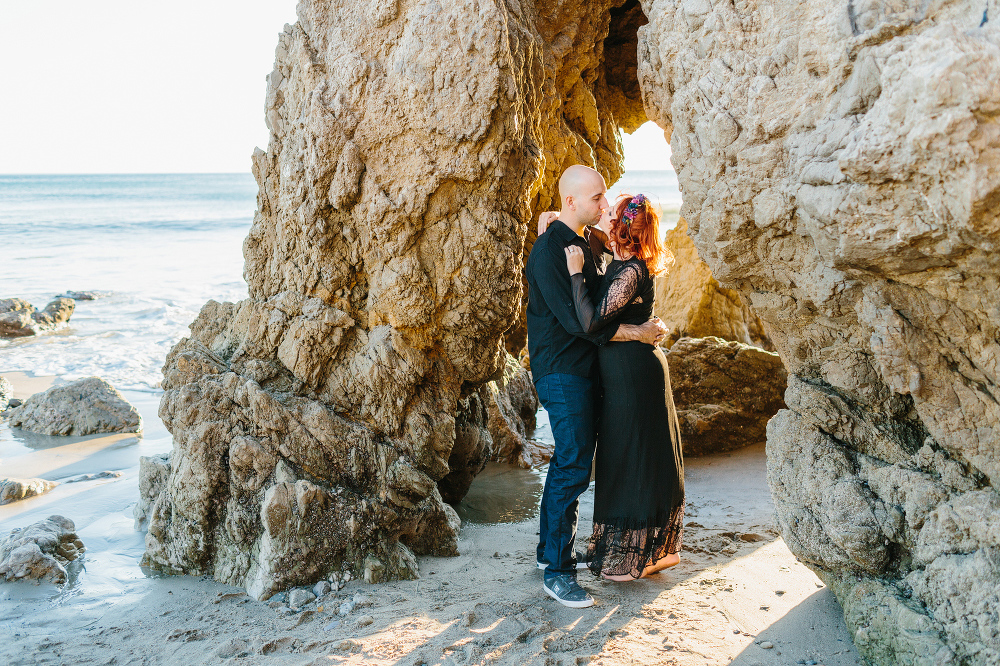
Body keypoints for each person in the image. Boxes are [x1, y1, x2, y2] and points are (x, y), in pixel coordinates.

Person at [525, 165, 667, 608]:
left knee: (573, 461)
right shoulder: (550, 253)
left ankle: (550, 552)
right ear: (572, 202)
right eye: (597, 199)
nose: (606, 205)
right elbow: (580, 324)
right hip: (560, 371)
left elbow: (609, 286)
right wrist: (638, 333)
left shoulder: (581, 242)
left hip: (583, 373)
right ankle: (557, 571)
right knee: (572, 462)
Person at [563, 193, 685, 581]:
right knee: (627, 456)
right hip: (625, 372)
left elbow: (591, 323)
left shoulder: (631, 269)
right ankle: (653, 553)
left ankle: (643, 557)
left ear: (623, 228)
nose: (605, 215)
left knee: (633, 457)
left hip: (634, 375)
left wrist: (575, 273)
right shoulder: (618, 259)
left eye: (612, 214)